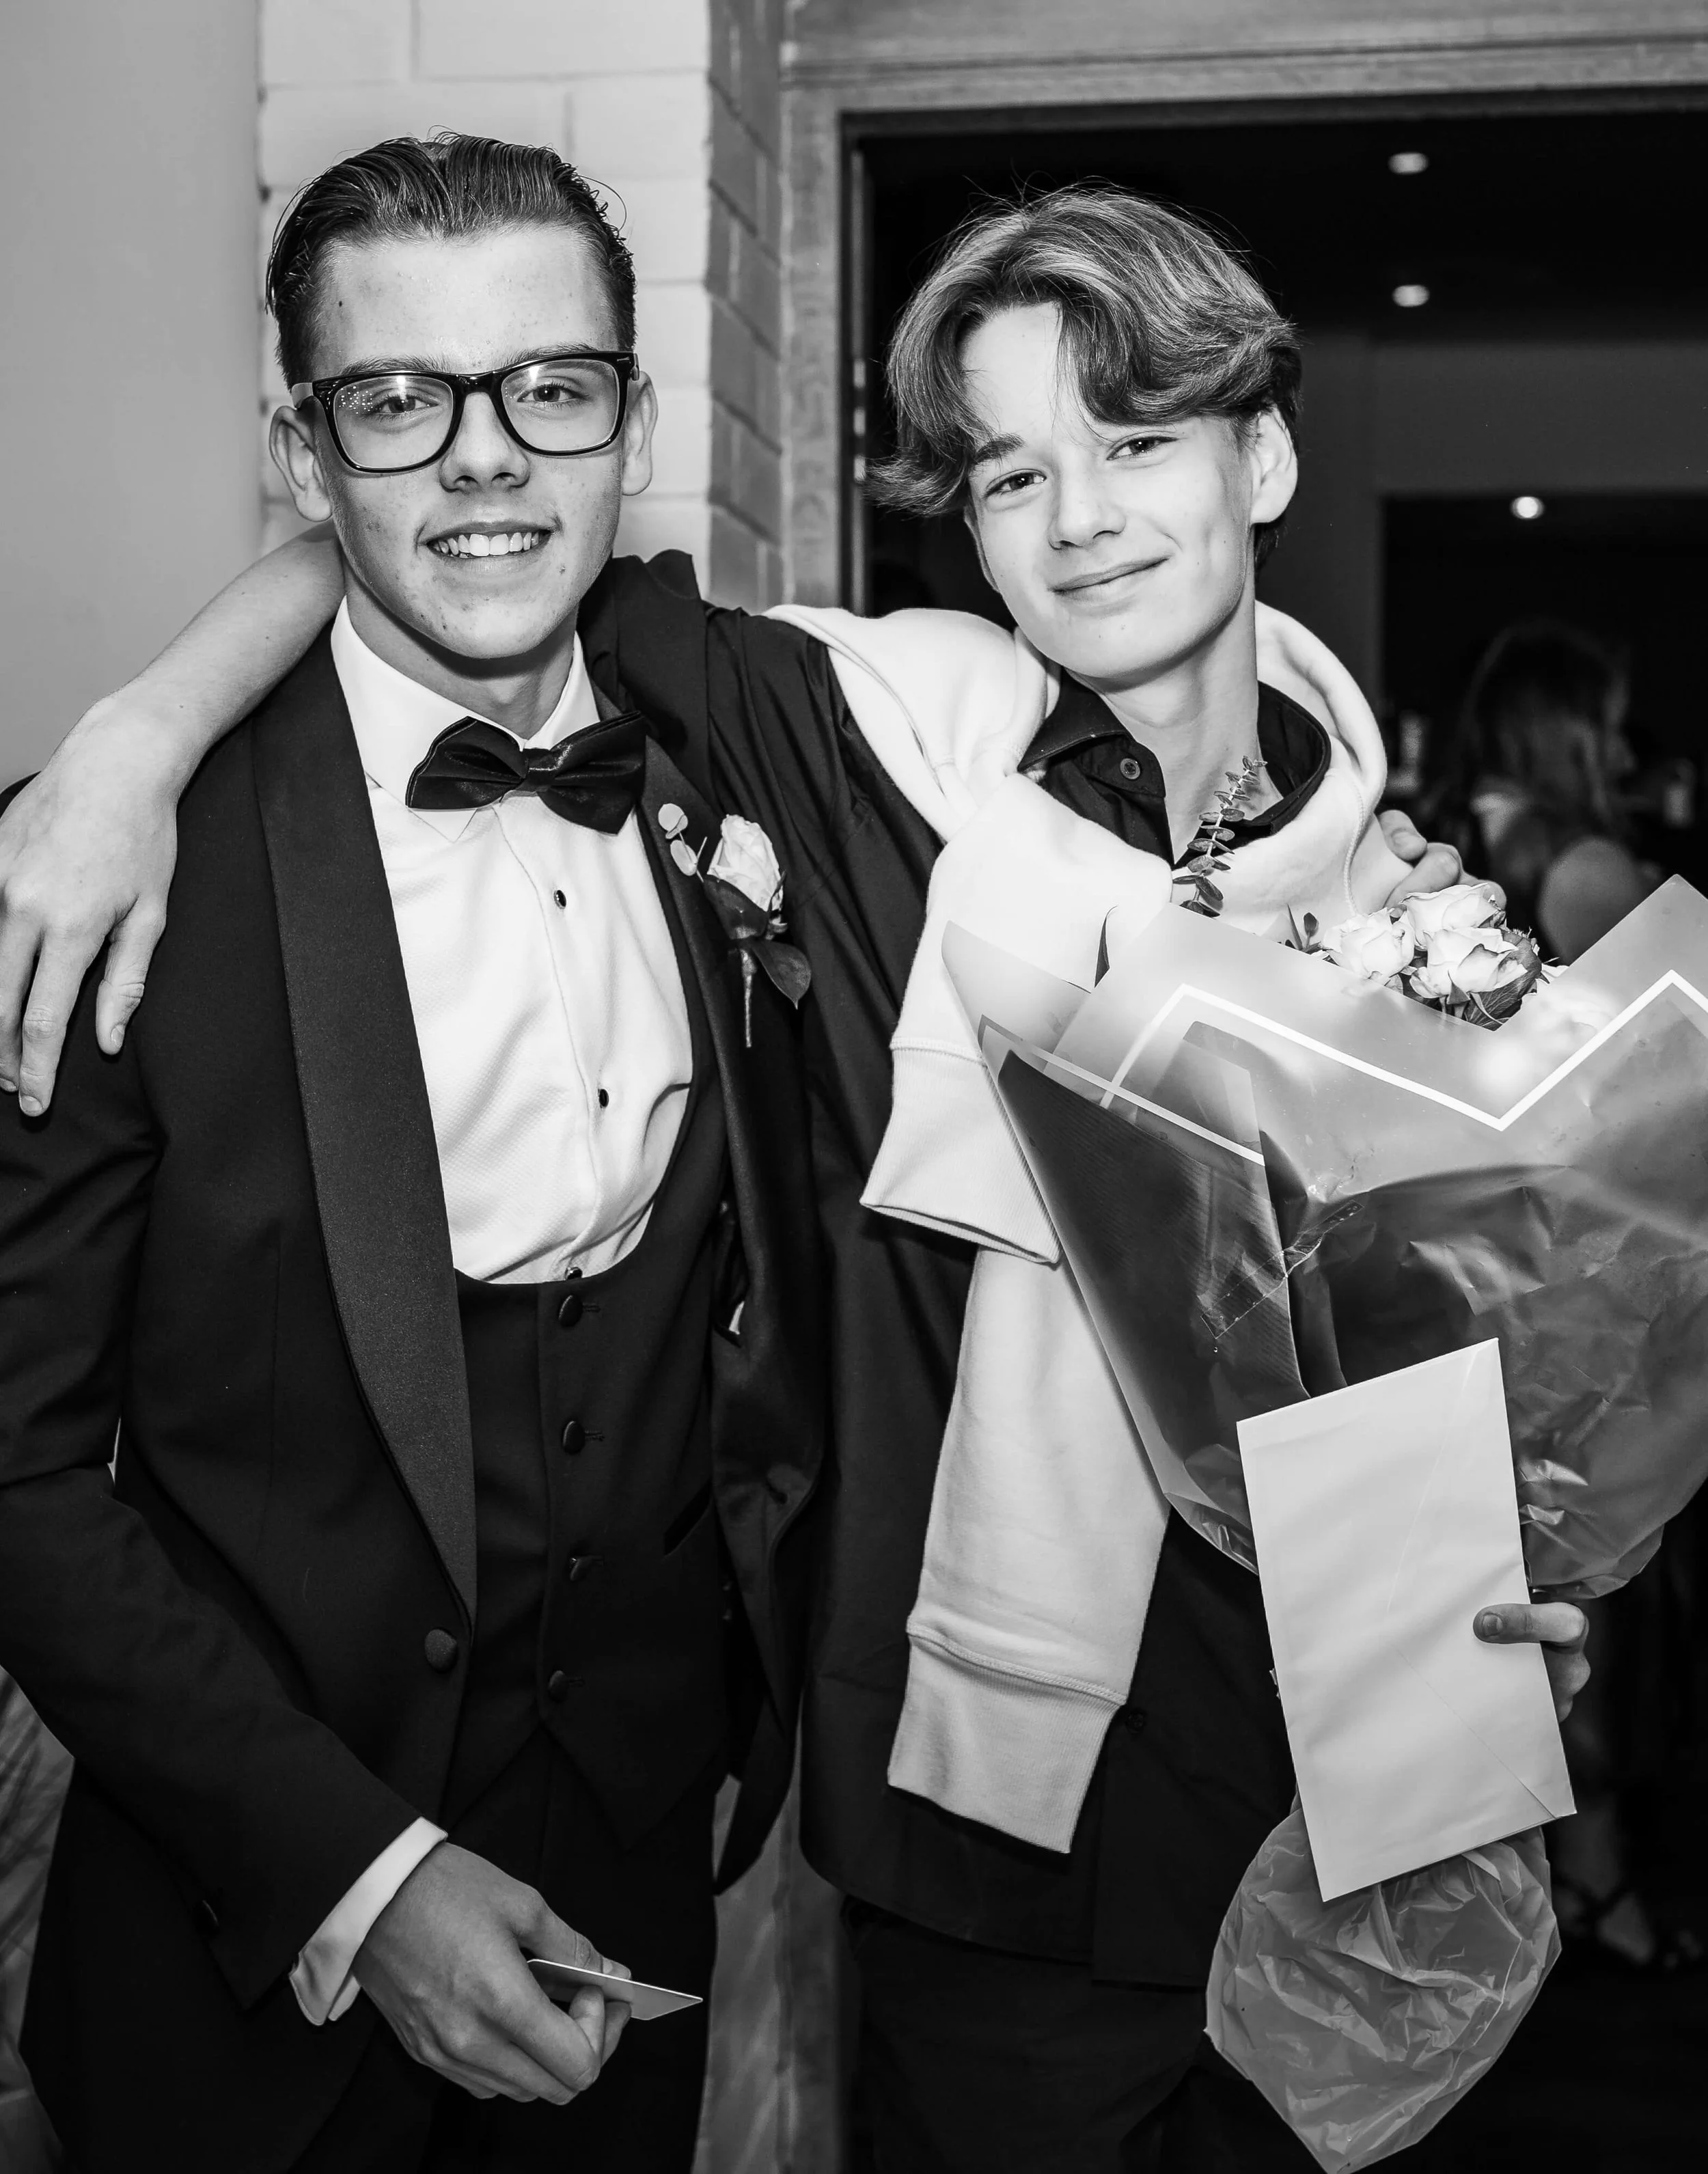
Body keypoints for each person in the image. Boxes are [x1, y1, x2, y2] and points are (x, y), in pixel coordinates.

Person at [0, 165, 1590, 2171]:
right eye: (1011, 472)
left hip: (1362, 1768)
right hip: (994, 1825)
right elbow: (459, 532)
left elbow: (1435, 1358)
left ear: (1261, 454)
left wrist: (1507, 1586)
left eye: (1132, 440)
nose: (1080, 515)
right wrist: (131, 740)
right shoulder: (864, 740)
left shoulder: (1405, 903)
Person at [0, 137, 827, 2174]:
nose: (486, 462)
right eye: (400, 401)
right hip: (243, 1937)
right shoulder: (106, 865)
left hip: (635, 1892)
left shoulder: (732, 736)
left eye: (552, 386)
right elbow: (12, 1455)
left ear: (629, 421)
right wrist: (359, 1878)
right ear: (305, 451)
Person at [1437, 619, 1655, 961]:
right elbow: (1669, 1008)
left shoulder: (1447, 822)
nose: (1626, 759)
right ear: (1566, 738)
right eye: (1614, 730)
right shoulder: (1589, 866)